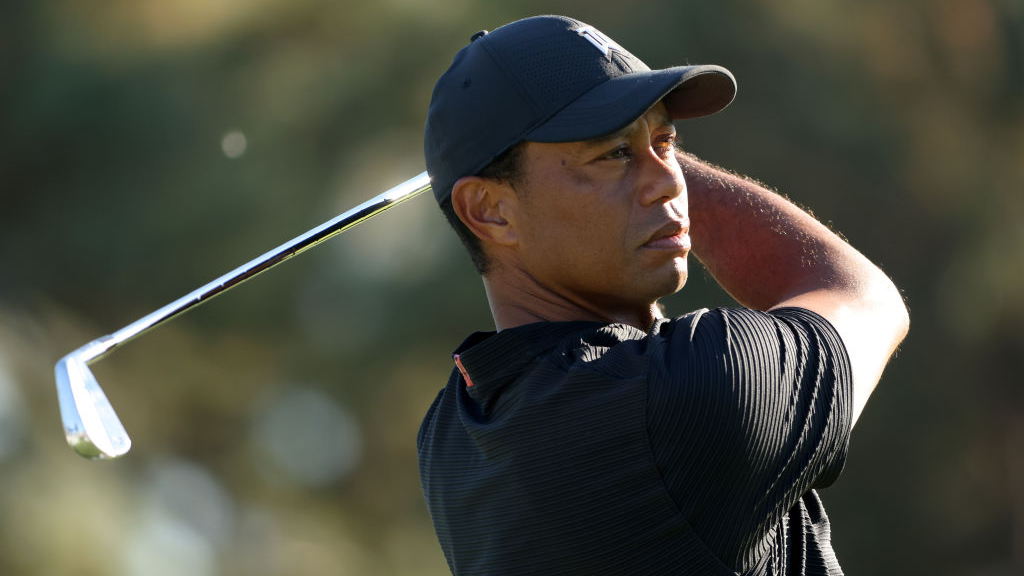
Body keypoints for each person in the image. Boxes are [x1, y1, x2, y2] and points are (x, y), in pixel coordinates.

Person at [417, 15, 908, 576]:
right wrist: (652, 146)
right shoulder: (687, 394)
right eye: (613, 154)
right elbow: (860, 295)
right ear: (489, 211)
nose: (672, 180)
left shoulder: (453, 436)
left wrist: (629, 145)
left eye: (667, 141)